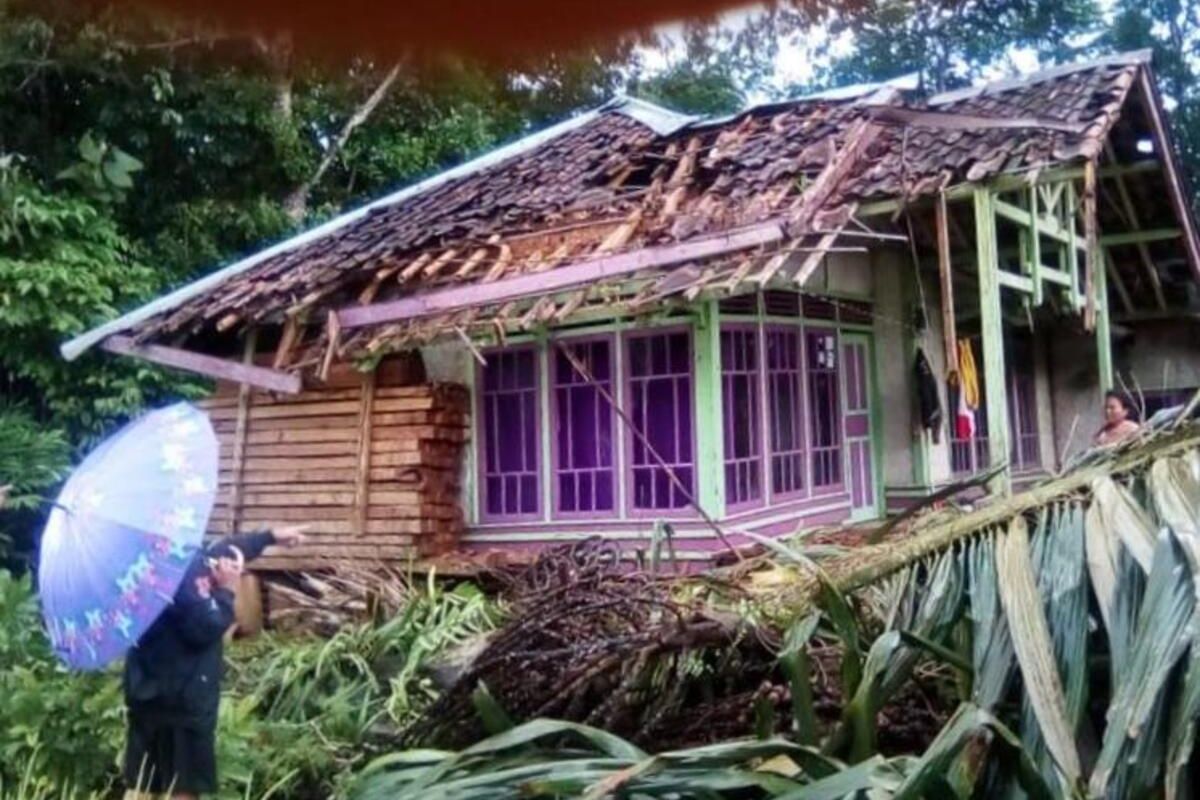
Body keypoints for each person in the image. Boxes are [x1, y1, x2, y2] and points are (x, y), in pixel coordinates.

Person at [123, 525, 306, 799]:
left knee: (145, 783)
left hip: (146, 692)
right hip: (182, 699)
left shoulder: (141, 563)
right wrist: (227, 591)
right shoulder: (174, 570)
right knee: (181, 786)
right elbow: (205, 627)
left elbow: (217, 555)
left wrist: (268, 537)